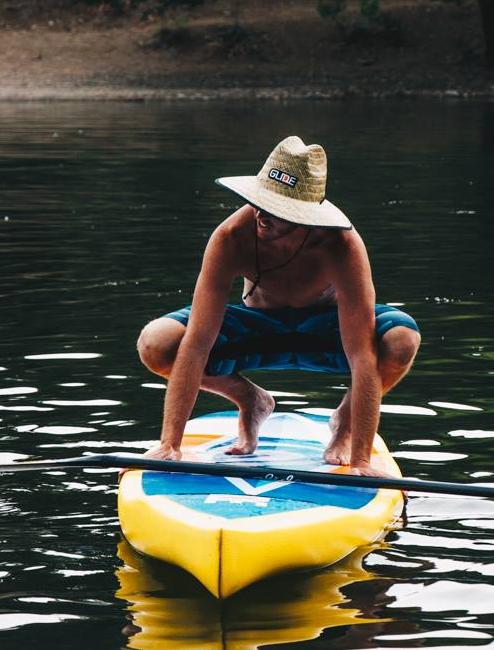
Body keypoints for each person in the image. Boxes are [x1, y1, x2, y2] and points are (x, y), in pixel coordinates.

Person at [136, 136, 421, 477]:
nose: (261, 215)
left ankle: (344, 422)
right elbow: (198, 342)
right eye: (260, 201)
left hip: (326, 332)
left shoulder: (342, 246)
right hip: (258, 328)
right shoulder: (231, 237)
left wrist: (361, 462)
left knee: (402, 340)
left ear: (305, 216)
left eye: (276, 209)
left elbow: (361, 355)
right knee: (156, 342)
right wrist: (171, 445)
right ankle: (251, 400)